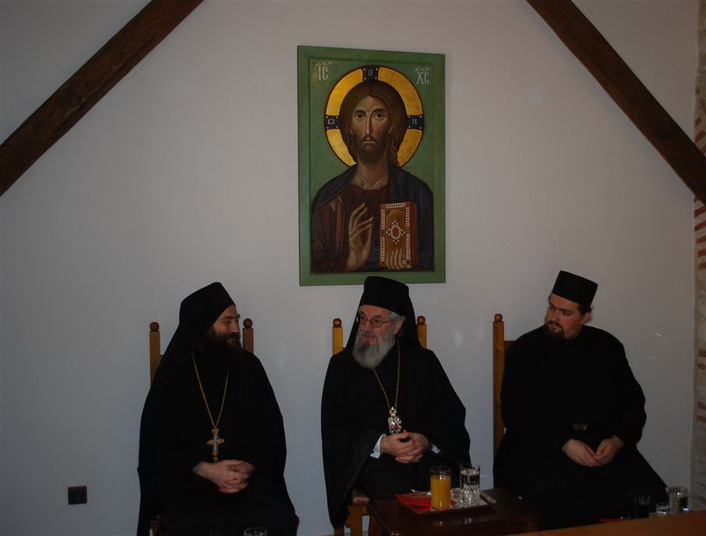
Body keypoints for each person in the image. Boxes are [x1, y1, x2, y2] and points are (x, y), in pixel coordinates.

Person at [494, 271, 666, 528]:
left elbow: (632, 404)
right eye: (551, 307)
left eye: (565, 313)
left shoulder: (607, 346)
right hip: (542, 449)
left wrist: (617, 440)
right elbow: (516, 414)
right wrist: (564, 443)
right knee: (560, 500)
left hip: (600, 446)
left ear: (585, 316)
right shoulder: (526, 349)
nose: (553, 318)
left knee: (652, 495)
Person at [137, 282, 298, 536]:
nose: (235, 329)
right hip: (190, 480)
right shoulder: (174, 376)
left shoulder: (250, 368)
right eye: (227, 322)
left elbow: (271, 428)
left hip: (246, 480)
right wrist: (206, 469)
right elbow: (158, 441)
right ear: (203, 325)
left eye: (237, 320)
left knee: (278, 516)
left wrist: (247, 466)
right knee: (188, 522)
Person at [321, 276, 470, 528]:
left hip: (424, 458)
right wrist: (381, 444)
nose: (367, 327)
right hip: (373, 462)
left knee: (447, 484)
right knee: (391, 492)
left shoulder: (424, 362)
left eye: (377, 321)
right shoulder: (341, 367)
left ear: (398, 325)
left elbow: (450, 416)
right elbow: (335, 429)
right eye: (362, 318)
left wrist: (426, 441)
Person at [311, 80, 434, 273]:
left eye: (378, 116)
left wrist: (409, 264)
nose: (368, 129)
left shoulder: (417, 193)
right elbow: (316, 265)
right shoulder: (329, 200)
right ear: (349, 126)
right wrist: (351, 262)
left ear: (392, 124)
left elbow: (431, 257)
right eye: (360, 116)